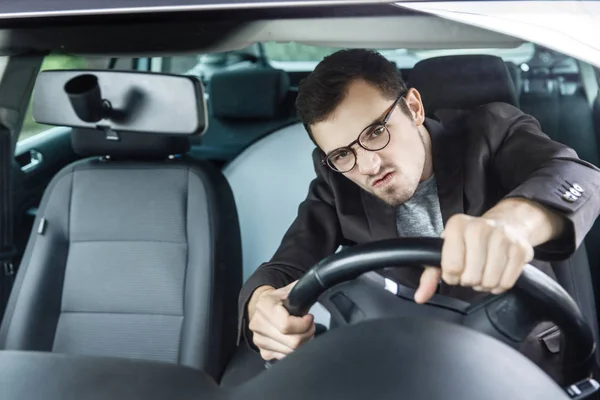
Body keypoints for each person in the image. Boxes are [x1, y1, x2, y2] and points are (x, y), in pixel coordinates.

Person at [237, 49, 600, 365]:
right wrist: (261, 306)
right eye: (343, 153)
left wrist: (512, 223)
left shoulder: (490, 132)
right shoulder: (338, 182)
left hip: (518, 359)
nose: (368, 166)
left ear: (413, 107)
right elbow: (284, 267)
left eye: (376, 132)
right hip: (405, 365)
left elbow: (577, 176)